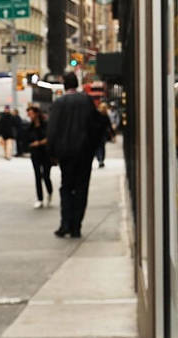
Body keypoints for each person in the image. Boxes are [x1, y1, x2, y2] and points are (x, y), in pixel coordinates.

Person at [48, 72, 102, 238]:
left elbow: (52, 130)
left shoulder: (59, 103)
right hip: (84, 152)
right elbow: (96, 126)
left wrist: (52, 153)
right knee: (81, 188)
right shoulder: (86, 101)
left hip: (66, 153)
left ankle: (65, 224)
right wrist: (93, 148)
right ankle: (76, 226)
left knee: (66, 187)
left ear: (65, 85)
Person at [27, 105, 52, 208]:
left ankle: (49, 191)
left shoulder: (45, 124)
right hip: (35, 153)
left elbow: (49, 137)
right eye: (28, 114)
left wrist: (39, 143)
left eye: (31, 114)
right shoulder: (30, 126)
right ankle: (39, 198)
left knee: (46, 175)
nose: (30, 116)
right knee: (37, 175)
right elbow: (27, 138)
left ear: (36, 114)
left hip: (46, 153)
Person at [94, 101, 116, 168]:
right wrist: (113, 134)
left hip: (97, 134)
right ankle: (101, 160)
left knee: (97, 147)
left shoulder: (97, 115)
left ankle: (100, 159)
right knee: (102, 147)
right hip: (103, 134)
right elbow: (109, 126)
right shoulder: (106, 116)